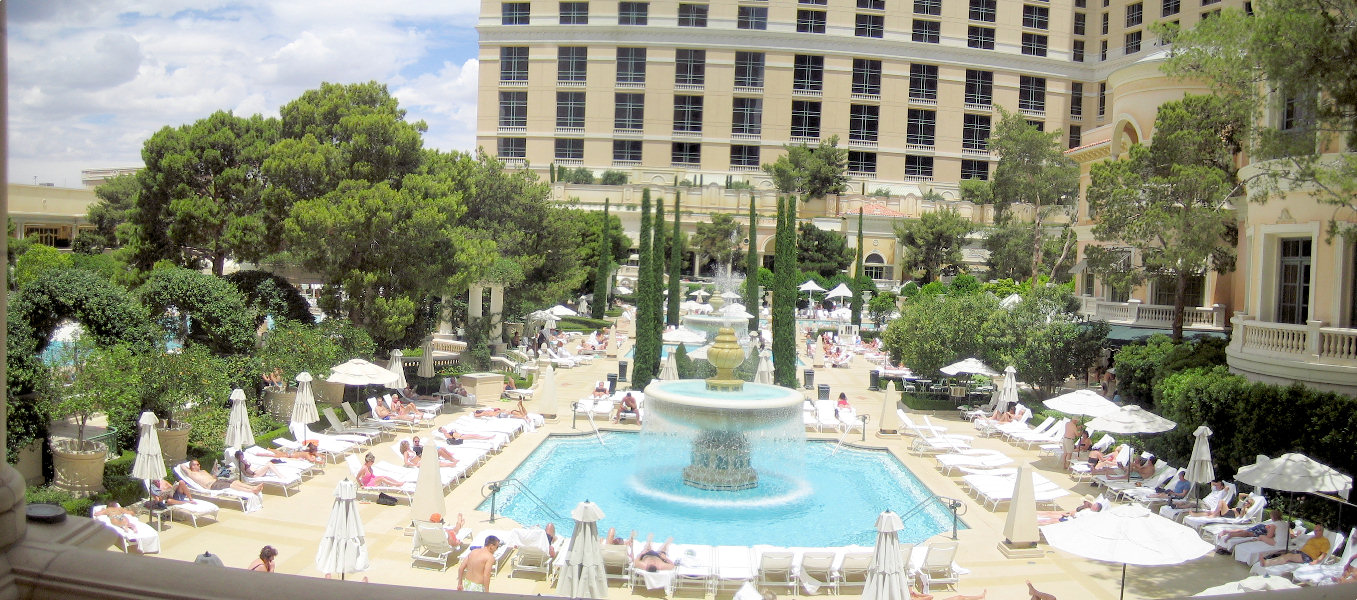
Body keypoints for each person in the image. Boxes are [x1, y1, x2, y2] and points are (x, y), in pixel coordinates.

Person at [1260, 524, 1329, 567]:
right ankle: (1266, 558)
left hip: (1308, 557)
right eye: (1315, 530)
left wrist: (1316, 561)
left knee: (1288, 556)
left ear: (1322, 531)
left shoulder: (1325, 541)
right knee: (1283, 552)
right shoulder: (1312, 538)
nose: (1315, 532)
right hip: (1301, 552)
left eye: (1318, 531)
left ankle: (1266, 563)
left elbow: (1323, 554)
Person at [1216, 509, 1287, 548]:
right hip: (1263, 530)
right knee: (1248, 533)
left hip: (1262, 526)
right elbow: (1269, 536)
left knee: (1245, 531)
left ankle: (1227, 531)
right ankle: (1232, 534)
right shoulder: (1284, 523)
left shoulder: (1275, 524)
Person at [186, 460, 264, 494]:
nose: (199, 465)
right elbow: (182, 466)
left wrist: (215, 473)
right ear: (192, 466)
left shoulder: (203, 471)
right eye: (197, 464)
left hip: (217, 481)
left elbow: (213, 477)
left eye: (199, 464)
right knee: (232, 486)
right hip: (212, 486)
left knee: (235, 481)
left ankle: (252, 487)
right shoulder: (192, 474)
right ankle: (252, 491)